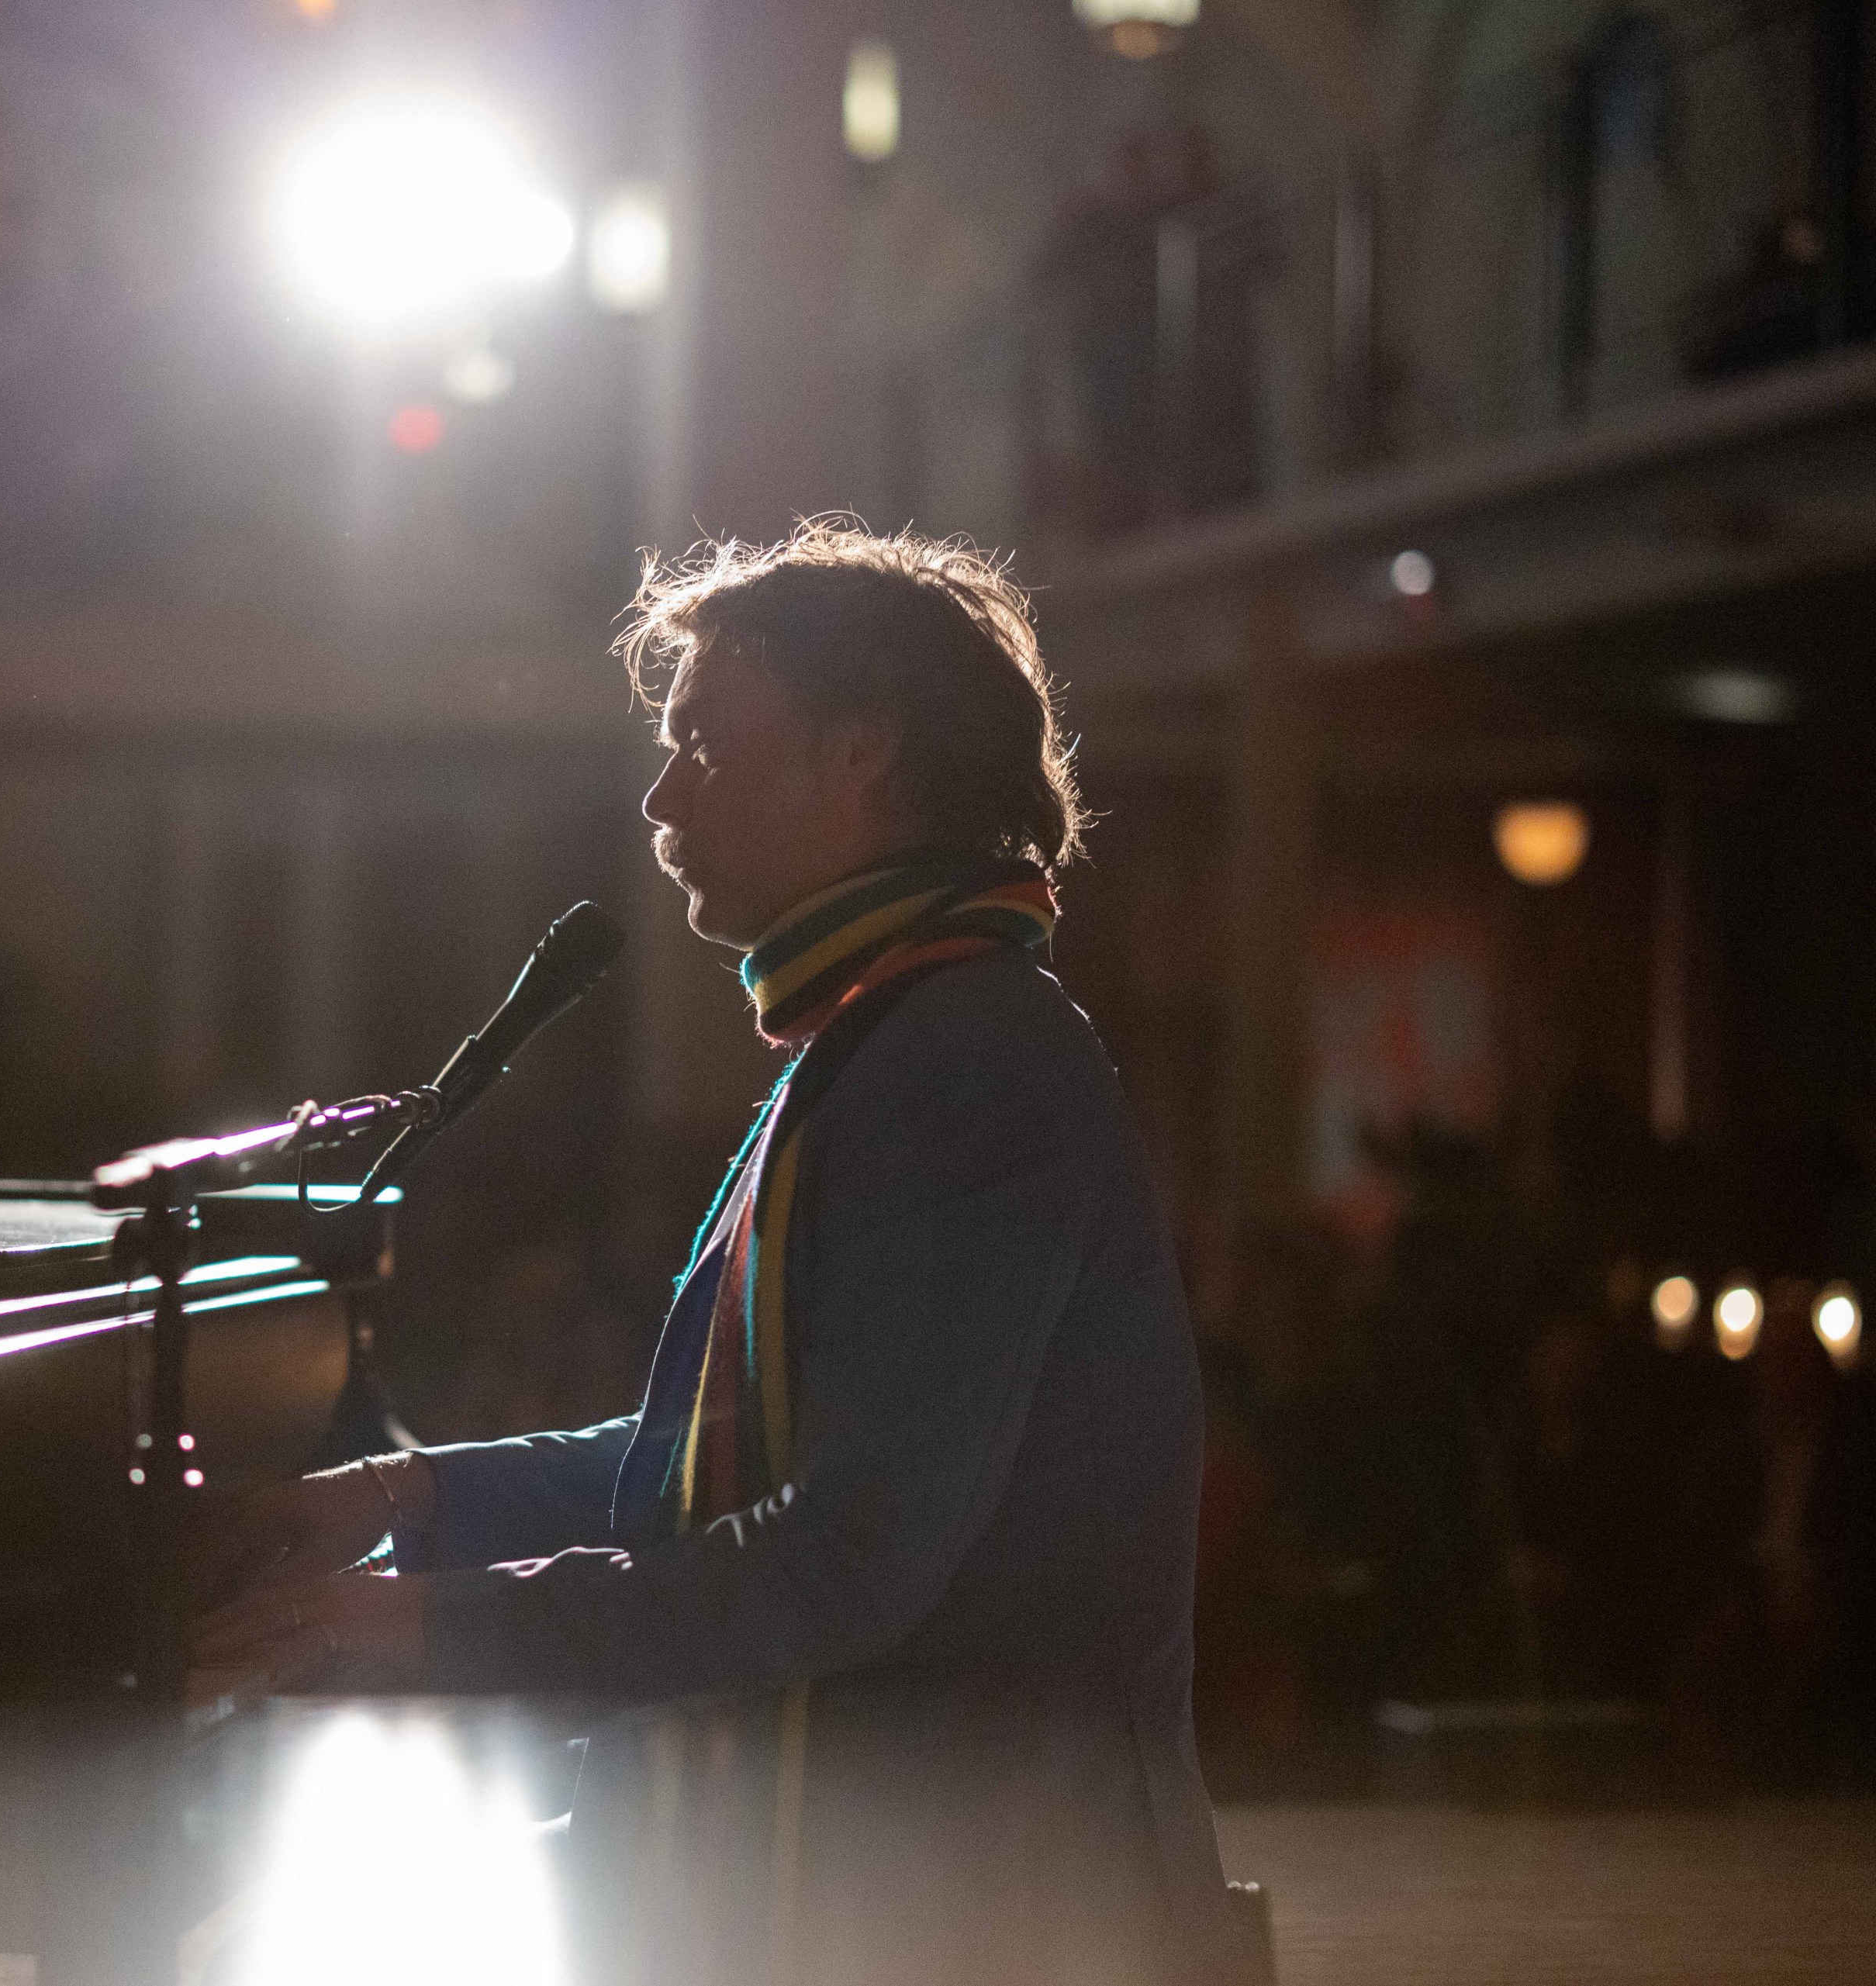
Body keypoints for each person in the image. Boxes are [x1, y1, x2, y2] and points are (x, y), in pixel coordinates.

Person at [195, 520, 1232, 1986]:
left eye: (704, 741)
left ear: (859, 755)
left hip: (981, 1917)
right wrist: (394, 1502)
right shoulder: (889, 1040)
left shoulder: (964, 1063)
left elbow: (845, 1560)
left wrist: (414, 1620)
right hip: (909, 1893)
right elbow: (710, 1463)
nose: (662, 794)